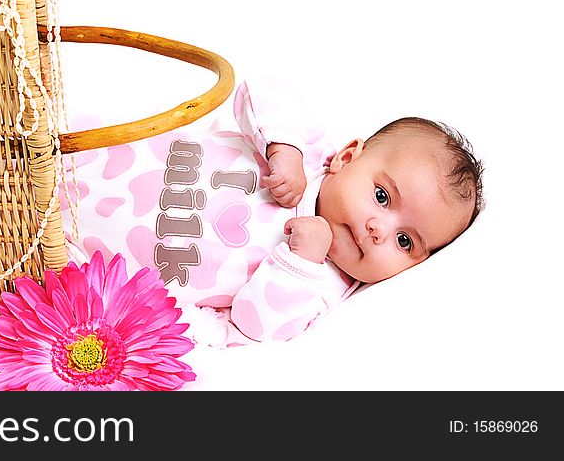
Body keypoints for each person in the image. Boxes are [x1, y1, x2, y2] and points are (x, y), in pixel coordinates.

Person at [61, 78, 484, 347]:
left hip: (84, 249)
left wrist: (298, 262)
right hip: (103, 155)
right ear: (349, 156)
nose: (378, 230)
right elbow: (257, 91)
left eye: (404, 241)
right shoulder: (311, 152)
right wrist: (284, 149)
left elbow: (255, 324)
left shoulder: (320, 285)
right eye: (381, 196)